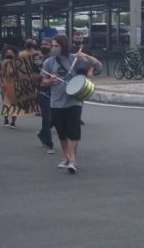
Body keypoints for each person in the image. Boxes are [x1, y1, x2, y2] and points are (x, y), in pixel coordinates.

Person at [42, 35, 90, 174]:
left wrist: (85, 56)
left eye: (56, 45)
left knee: (73, 131)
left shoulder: (75, 59)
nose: (54, 48)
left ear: (63, 46)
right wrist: (50, 81)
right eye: (53, 45)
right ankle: (66, 157)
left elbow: (93, 67)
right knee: (62, 133)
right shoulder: (49, 62)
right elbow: (43, 81)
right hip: (56, 102)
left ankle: (72, 159)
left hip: (74, 101)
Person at [71, 31, 102, 126]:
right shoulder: (69, 49)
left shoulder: (86, 49)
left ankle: (77, 117)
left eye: (80, 38)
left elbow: (92, 61)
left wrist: (91, 70)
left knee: (80, 97)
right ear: (73, 38)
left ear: (83, 39)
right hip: (72, 74)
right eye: (76, 38)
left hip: (82, 74)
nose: (78, 40)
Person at [35, 39, 55, 154]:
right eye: (42, 44)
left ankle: (42, 133)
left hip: (56, 92)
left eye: (46, 44)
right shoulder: (38, 59)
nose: (44, 46)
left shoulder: (56, 59)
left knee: (56, 119)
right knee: (46, 119)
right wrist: (39, 77)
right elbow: (33, 74)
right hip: (43, 92)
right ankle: (49, 143)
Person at [1, 46, 19, 129]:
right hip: (5, 86)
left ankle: (13, 122)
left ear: (15, 54)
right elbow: (1, 74)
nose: (9, 55)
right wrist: (1, 83)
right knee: (6, 104)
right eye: (8, 53)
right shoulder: (4, 63)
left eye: (11, 53)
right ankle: (6, 119)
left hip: (15, 86)